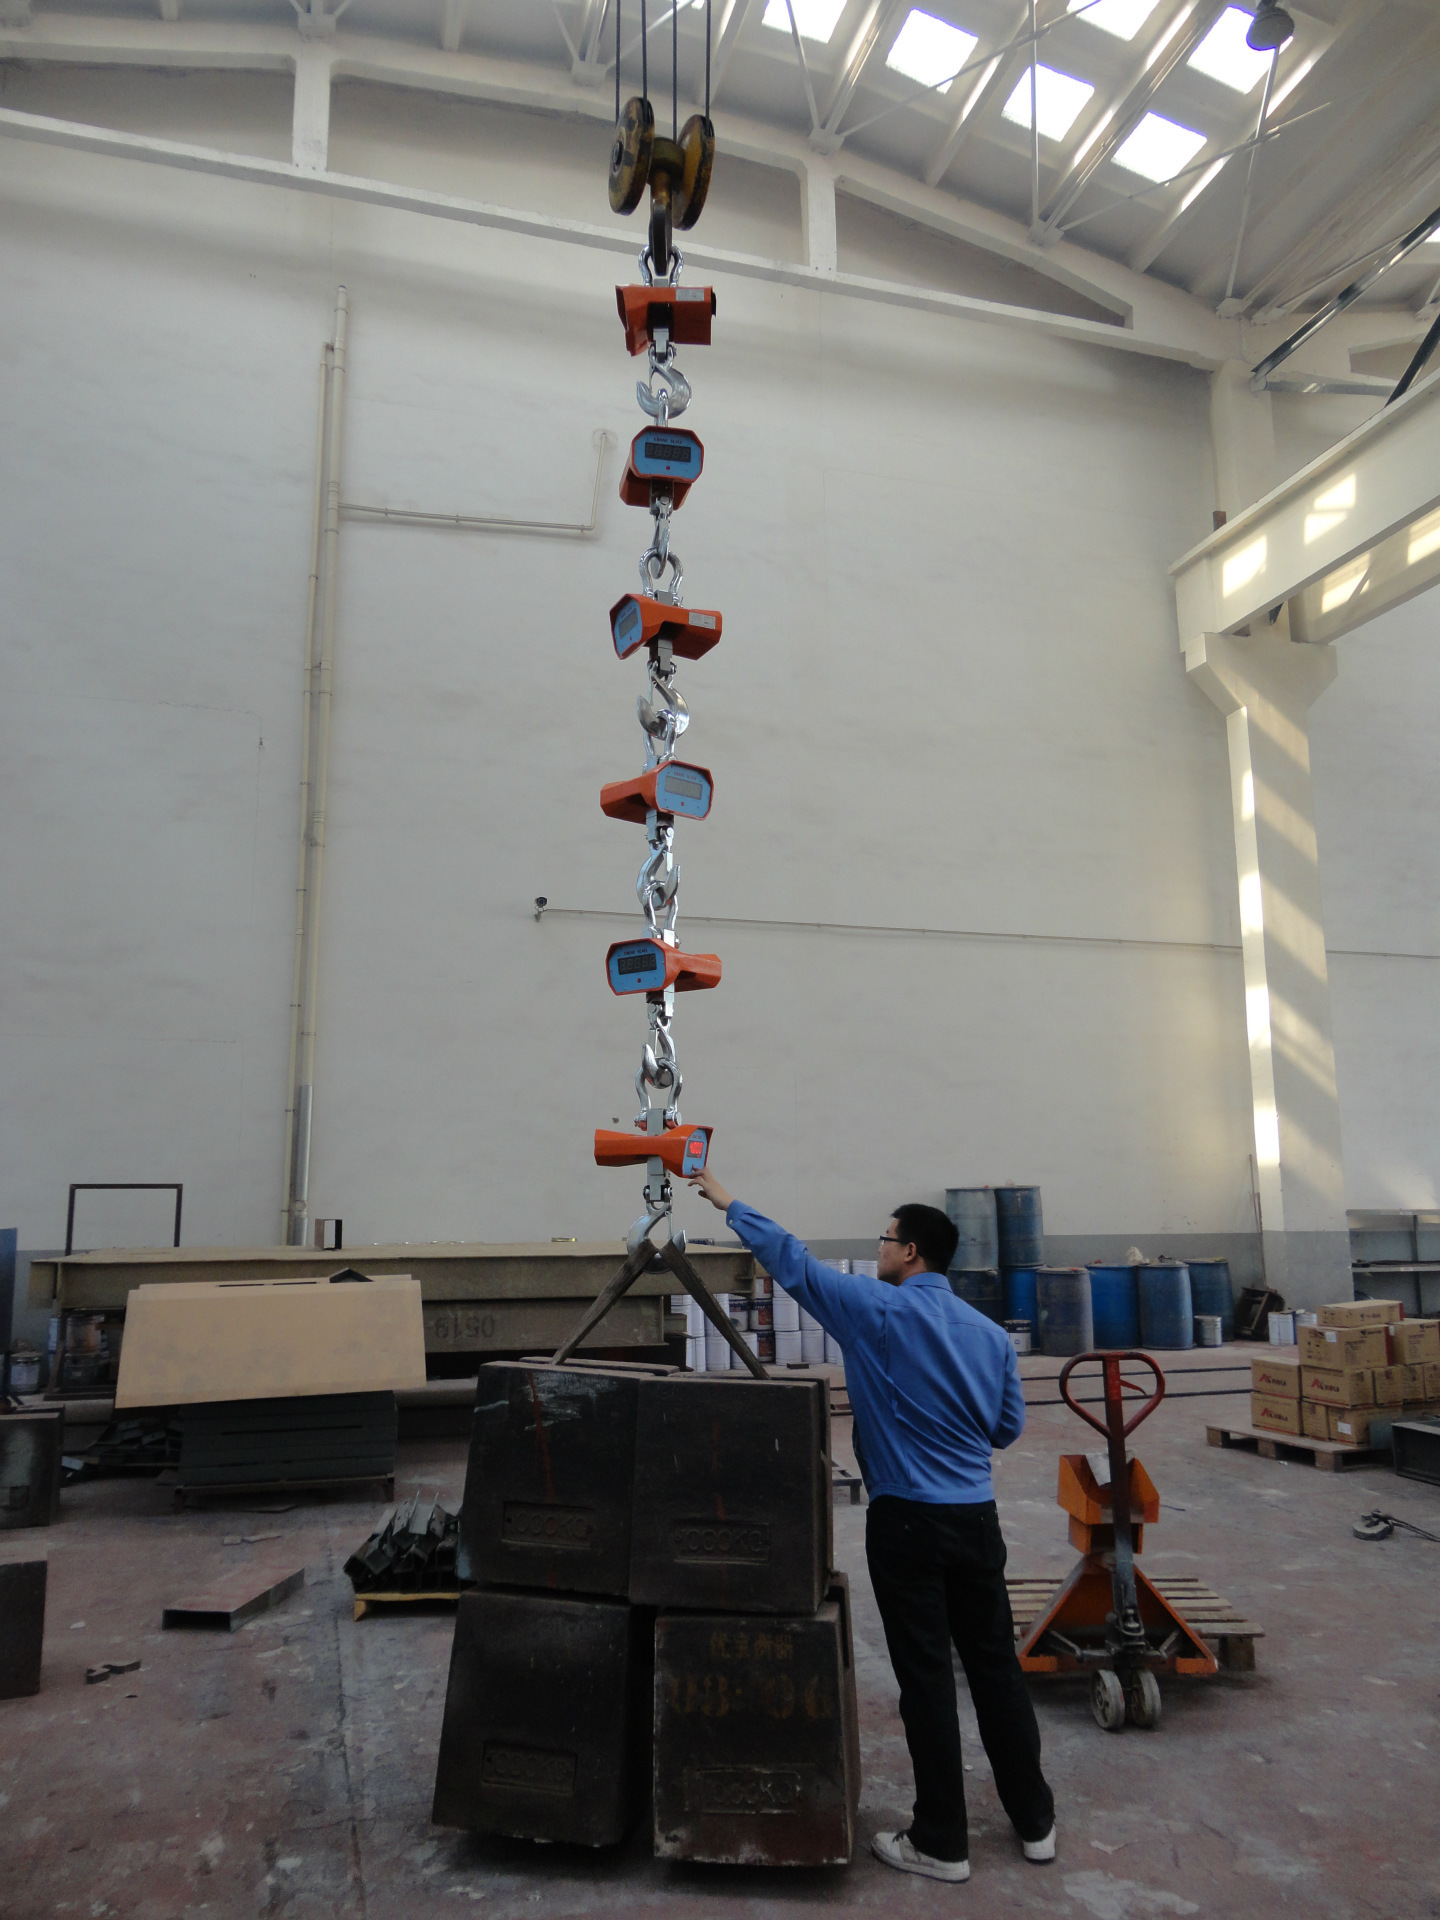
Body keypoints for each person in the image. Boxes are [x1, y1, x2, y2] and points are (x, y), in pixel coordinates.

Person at [690, 1166, 1055, 1885]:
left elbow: (793, 1263)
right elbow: (1006, 1428)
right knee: (995, 1671)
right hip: (977, 1522)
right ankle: (1035, 1821)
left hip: (907, 1523)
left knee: (926, 1678)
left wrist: (727, 1200)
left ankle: (943, 1841)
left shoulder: (874, 1311)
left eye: (886, 1239)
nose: (879, 1248)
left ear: (910, 1252)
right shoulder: (989, 1336)